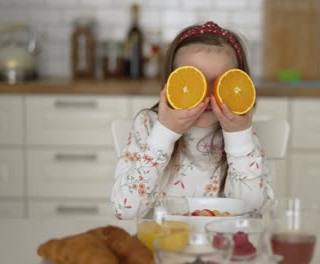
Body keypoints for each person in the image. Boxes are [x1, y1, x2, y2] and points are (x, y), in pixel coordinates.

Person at [111, 21, 273, 219]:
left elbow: (252, 211)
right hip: (160, 246)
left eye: (221, 83)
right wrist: (164, 133)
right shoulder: (148, 125)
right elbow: (124, 211)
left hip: (221, 247)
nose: (206, 96)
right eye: (193, 83)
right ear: (173, 83)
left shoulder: (242, 132)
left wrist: (239, 137)